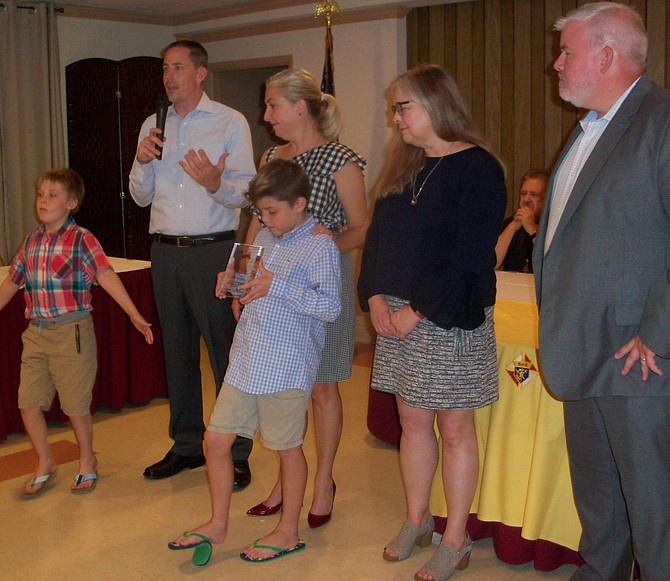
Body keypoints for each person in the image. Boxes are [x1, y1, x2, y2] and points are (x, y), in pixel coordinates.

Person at [533, 4, 670, 580]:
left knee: (656, 515)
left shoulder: (661, 119)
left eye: (567, 51)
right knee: (601, 508)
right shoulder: (593, 125)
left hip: (635, 354)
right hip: (582, 346)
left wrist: (658, 334)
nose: (556, 63)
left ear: (607, 55)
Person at [358, 64, 506, 581]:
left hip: (447, 315)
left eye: (403, 107)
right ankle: (418, 521)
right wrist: (374, 293)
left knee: (456, 427)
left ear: (436, 105)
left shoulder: (479, 168)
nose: (394, 117)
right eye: (395, 107)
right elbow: (378, 239)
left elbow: (469, 256)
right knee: (412, 423)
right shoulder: (405, 167)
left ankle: (457, 539)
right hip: (398, 312)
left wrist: (416, 311)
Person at [168, 159, 341, 566]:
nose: (264, 220)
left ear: (300, 203)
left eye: (272, 212)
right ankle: (218, 522)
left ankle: (288, 530)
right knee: (215, 440)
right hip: (247, 358)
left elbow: (331, 307)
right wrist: (230, 285)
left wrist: (277, 286)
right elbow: (246, 284)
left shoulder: (320, 245)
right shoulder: (264, 235)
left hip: (286, 364)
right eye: (260, 212)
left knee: (287, 448)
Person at [129, 40, 256, 486]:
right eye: (165, 68)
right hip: (164, 251)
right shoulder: (152, 123)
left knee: (225, 353)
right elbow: (140, 195)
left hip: (212, 252)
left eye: (178, 67)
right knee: (176, 352)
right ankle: (186, 445)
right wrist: (143, 162)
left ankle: (236, 450)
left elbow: (247, 193)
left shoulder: (228, 122)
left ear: (200, 73)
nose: (169, 76)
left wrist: (216, 183)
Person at [244, 68, 367, 527]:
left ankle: (323, 481)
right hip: (271, 284)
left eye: (273, 104)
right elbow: (258, 220)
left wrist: (322, 245)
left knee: (320, 386)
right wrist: (242, 270)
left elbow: (362, 227)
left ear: (301, 106)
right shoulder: (272, 155)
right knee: (284, 384)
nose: (266, 114)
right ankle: (285, 480)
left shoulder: (341, 160)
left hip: (321, 282)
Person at [0, 168, 154, 497]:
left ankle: (87, 461)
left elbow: (105, 274)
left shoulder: (82, 239)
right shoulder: (30, 243)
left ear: (71, 203)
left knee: (75, 405)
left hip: (72, 331)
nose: (44, 200)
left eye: (53, 195)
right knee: (27, 402)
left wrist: (134, 313)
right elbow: (12, 283)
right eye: (41, 194)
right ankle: (45, 461)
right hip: (36, 332)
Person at [494, 168, 549, 273]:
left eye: (534, 194)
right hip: (513, 286)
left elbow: (551, 258)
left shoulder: (553, 226)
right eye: (523, 193)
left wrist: (531, 228)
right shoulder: (510, 223)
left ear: (546, 199)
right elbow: (493, 262)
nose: (526, 199)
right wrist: (513, 226)